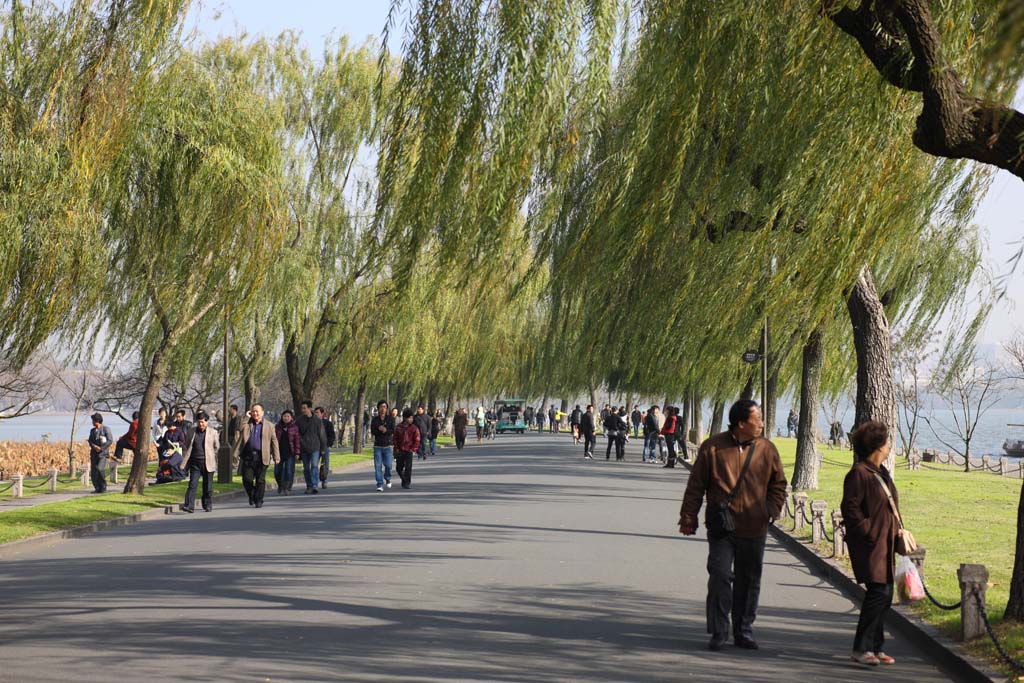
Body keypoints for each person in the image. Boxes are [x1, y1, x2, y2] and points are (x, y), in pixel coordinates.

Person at [679, 400, 787, 652]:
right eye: (757, 418)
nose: (761, 423)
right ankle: (719, 630)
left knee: (749, 581)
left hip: (754, 526)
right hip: (722, 527)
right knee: (719, 575)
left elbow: (778, 484)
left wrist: (770, 510)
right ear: (741, 423)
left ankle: (743, 630)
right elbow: (696, 486)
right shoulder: (713, 448)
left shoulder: (766, 449)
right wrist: (688, 517)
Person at [842, 420, 901, 666]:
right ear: (878, 446)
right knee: (878, 593)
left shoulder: (881, 472)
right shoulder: (859, 474)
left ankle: (876, 647)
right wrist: (869, 531)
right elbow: (850, 508)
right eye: (887, 443)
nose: (889, 447)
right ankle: (861, 648)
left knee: (885, 594)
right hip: (871, 545)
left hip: (885, 543)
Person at [233, 403, 279, 509]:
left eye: (257, 411)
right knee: (247, 479)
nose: (255, 413)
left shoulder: (270, 426)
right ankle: (253, 494)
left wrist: (276, 456)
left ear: (262, 412)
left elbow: (274, 441)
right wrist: (246, 417)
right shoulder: (247, 424)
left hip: (262, 456)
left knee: (260, 480)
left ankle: (259, 500)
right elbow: (239, 428)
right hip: (248, 456)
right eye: (253, 411)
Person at [180, 410, 219, 513]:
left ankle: (207, 504)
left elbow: (216, 447)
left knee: (208, 486)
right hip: (195, 463)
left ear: (207, 422)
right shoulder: (192, 431)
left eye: (203, 422)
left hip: (208, 462)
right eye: (199, 422)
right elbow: (188, 444)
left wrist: (211, 455)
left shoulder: (213, 432)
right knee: (192, 484)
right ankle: (189, 505)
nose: (201, 424)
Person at [296, 400, 327, 494]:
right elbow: (297, 434)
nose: (303, 410)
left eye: (304, 408)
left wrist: (323, 448)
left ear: (309, 408)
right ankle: (309, 485)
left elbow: (322, 434)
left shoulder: (317, 420)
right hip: (304, 447)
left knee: (314, 465)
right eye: (302, 408)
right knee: (306, 468)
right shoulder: (299, 420)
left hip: (315, 447)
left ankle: (314, 485)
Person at [370, 400, 396, 492]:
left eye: (384, 407)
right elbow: (373, 431)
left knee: (388, 465)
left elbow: (392, 430)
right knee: (378, 466)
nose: (383, 408)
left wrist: (385, 430)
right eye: (381, 407)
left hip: (387, 445)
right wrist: (379, 429)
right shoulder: (375, 420)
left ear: (387, 408)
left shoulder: (390, 419)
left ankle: (387, 477)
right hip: (378, 446)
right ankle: (379, 484)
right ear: (378, 408)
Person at [274, 409, 300, 495]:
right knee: (277, 471)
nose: (286, 418)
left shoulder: (294, 427)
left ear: (291, 418)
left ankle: (287, 487)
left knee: (289, 470)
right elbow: (273, 440)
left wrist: (297, 453)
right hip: (279, 453)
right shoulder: (277, 427)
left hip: (290, 453)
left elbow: (297, 441)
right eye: (284, 416)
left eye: (288, 416)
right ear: (282, 417)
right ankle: (280, 485)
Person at [394, 408, 421, 489]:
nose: (411, 419)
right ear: (405, 418)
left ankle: (407, 483)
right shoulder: (398, 427)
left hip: (409, 450)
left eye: (412, 418)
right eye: (410, 418)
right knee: (399, 468)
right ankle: (404, 479)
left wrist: (413, 449)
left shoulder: (414, 428)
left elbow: (417, 440)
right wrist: (396, 449)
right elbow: (395, 439)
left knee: (408, 467)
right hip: (400, 450)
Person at [87, 413, 113, 494]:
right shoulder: (92, 430)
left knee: (100, 468)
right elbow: (90, 441)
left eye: (93, 420)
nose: (92, 422)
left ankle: (103, 486)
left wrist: (101, 448)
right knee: (94, 471)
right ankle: (97, 487)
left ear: (97, 421)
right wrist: (94, 447)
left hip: (103, 454)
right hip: (94, 453)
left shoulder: (106, 429)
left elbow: (110, 440)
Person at [315, 407, 335, 488]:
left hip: (324, 446)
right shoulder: (312, 423)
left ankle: (324, 480)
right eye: (315, 412)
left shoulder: (328, 423)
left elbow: (331, 435)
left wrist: (328, 444)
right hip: (315, 447)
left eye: (317, 412)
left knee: (325, 464)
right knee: (314, 464)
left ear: (322, 414)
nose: (316, 414)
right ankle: (315, 482)